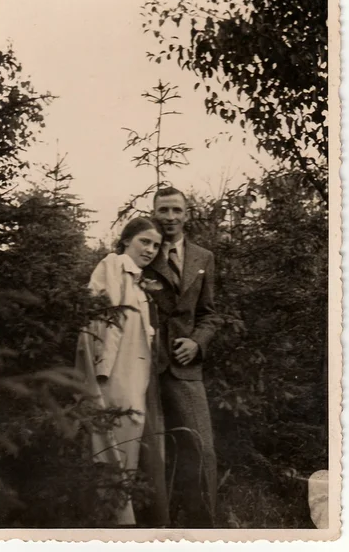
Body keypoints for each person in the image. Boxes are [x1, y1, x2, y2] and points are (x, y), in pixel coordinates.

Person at [75, 217, 168, 527]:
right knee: (111, 441)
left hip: (133, 373)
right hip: (114, 372)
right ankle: (114, 523)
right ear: (127, 239)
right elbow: (105, 318)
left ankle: (121, 520)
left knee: (127, 441)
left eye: (156, 245)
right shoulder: (113, 264)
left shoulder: (138, 278)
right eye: (144, 241)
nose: (150, 249)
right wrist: (102, 371)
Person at [144, 186, 220, 528]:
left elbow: (210, 314)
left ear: (187, 215)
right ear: (154, 213)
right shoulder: (143, 251)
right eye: (164, 210)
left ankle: (204, 527)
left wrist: (197, 343)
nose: (170, 217)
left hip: (185, 370)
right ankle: (151, 527)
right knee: (149, 451)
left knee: (200, 448)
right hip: (144, 368)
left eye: (177, 210)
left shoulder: (203, 257)